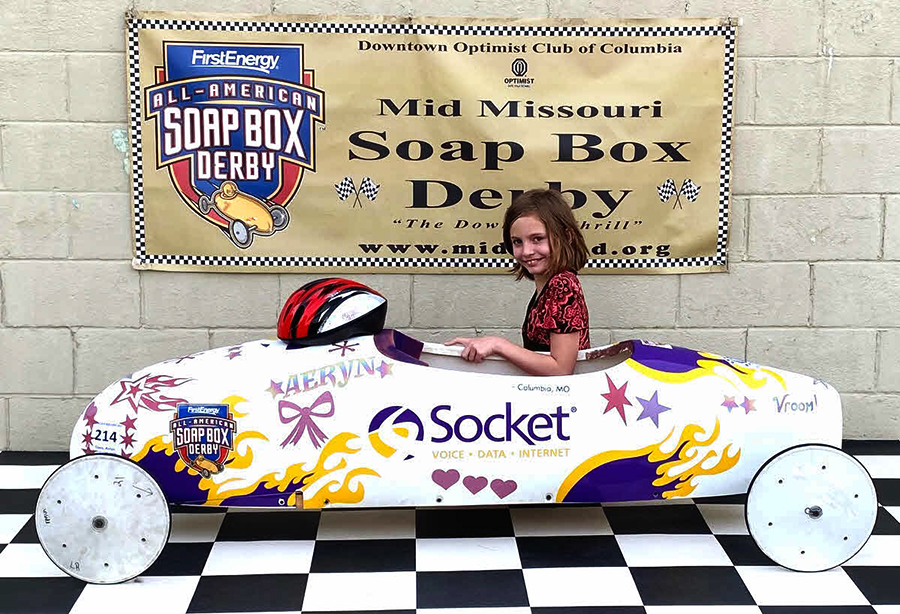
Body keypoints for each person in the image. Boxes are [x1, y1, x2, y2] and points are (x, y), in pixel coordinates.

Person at [446, 189, 590, 376]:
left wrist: (498, 345)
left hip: (560, 400)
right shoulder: (548, 286)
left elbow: (561, 369)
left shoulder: (562, 286)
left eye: (537, 239)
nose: (526, 251)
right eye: (517, 242)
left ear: (567, 236)